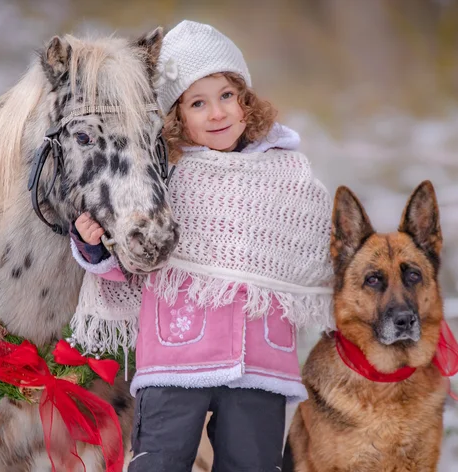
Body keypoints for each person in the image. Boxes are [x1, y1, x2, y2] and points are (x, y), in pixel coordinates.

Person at [69, 20, 333, 471]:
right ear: (174, 117)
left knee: (251, 464)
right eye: (198, 103)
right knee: (159, 462)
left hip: (260, 362)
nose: (217, 113)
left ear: (246, 100)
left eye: (227, 96)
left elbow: (322, 258)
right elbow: (136, 261)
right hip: (177, 355)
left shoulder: (288, 175)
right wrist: (95, 249)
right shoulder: (162, 178)